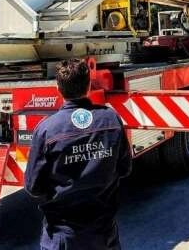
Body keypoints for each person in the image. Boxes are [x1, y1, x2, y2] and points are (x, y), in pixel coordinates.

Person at [25, 58, 132, 250]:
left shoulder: (47, 129)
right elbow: (124, 168)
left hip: (63, 237)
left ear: (58, 88)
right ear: (89, 85)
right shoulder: (111, 119)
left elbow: (33, 187)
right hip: (104, 233)